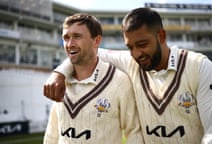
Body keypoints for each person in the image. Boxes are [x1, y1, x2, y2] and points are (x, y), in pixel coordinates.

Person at [44, 8, 212, 143]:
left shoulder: (200, 67)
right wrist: (59, 73)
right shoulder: (133, 62)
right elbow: (88, 53)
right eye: (130, 47)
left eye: (142, 44)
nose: (136, 53)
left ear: (161, 36)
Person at [43, 13, 144, 144]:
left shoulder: (120, 82)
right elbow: (53, 133)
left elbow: (134, 132)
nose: (70, 44)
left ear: (96, 41)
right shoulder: (61, 83)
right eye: (66, 38)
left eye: (77, 37)